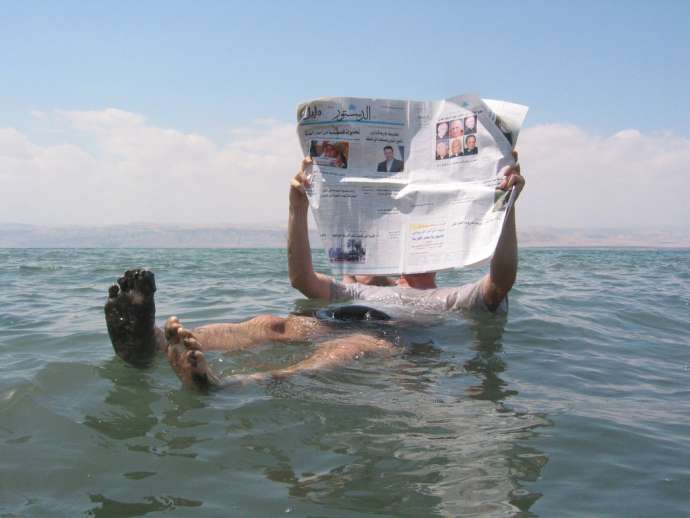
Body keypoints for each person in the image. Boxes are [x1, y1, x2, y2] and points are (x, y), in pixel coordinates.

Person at [105, 153, 523, 391]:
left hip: (398, 340)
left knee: (351, 346)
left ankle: (224, 384)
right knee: (274, 324)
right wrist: (296, 205)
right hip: (336, 320)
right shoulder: (363, 288)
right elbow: (302, 280)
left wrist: (508, 209)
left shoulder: (450, 298)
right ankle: (151, 342)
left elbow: (500, 281)